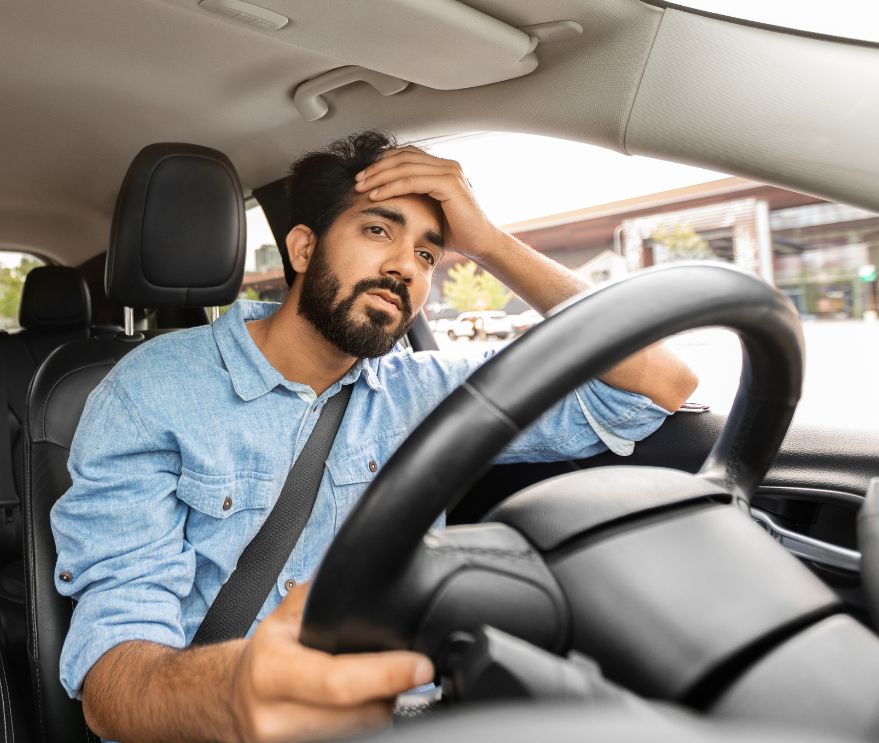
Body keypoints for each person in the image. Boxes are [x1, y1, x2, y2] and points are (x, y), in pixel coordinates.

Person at [51, 131, 699, 743]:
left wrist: (490, 244)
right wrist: (234, 689)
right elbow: (113, 679)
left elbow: (656, 382)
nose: (404, 267)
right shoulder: (150, 390)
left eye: (426, 252)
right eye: (377, 230)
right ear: (302, 249)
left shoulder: (427, 390)